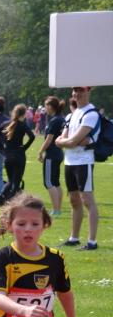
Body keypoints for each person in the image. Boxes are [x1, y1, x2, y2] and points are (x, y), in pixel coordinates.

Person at [55, 86, 100, 251]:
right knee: (74, 200)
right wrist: (68, 142)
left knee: (87, 200)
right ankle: (74, 238)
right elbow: (65, 140)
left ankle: (92, 242)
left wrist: (66, 142)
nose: (77, 93)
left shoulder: (91, 113)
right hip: (69, 161)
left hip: (83, 161)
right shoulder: (71, 114)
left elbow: (70, 141)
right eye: (75, 90)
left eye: (81, 90)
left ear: (88, 91)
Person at [0, 104, 34, 205]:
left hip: (8, 156)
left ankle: (1, 196)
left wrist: (2, 149)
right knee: (16, 182)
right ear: (24, 114)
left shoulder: (5, 124)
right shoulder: (22, 125)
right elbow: (32, 136)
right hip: (19, 156)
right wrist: (24, 147)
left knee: (10, 181)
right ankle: (12, 202)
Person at [37, 96, 66, 217]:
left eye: (46, 105)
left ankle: (56, 210)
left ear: (50, 106)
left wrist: (40, 152)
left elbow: (49, 139)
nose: (45, 108)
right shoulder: (60, 118)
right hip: (58, 153)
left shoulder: (54, 120)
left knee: (48, 182)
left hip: (52, 155)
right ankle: (57, 209)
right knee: (55, 182)